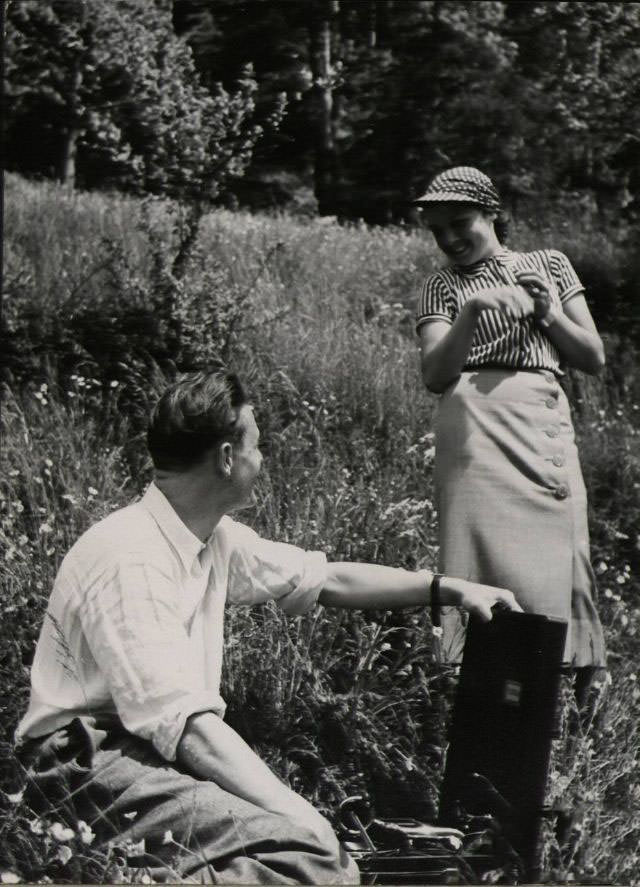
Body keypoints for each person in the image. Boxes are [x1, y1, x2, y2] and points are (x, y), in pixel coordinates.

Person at [15, 368, 520, 886]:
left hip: (138, 754)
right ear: (227, 458)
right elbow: (188, 729)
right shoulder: (131, 557)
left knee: (314, 854)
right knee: (315, 857)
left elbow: (328, 578)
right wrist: (305, 818)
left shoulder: (210, 538)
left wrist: (448, 588)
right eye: (257, 446)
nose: (264, 461)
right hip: (81, 763)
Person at [413, 166, 606, 704]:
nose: (451, 238)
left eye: (462, 222)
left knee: (563, 552)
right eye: (438, 230)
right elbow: (434, 373)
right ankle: (488, 695)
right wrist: (472, 311)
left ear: (493, 213)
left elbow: (592, 357)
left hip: (537, 421)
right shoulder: (441, 285)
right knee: (478, 556)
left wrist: (548, 314)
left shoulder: (546, 265)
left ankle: (573, 698)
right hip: (472, 435)